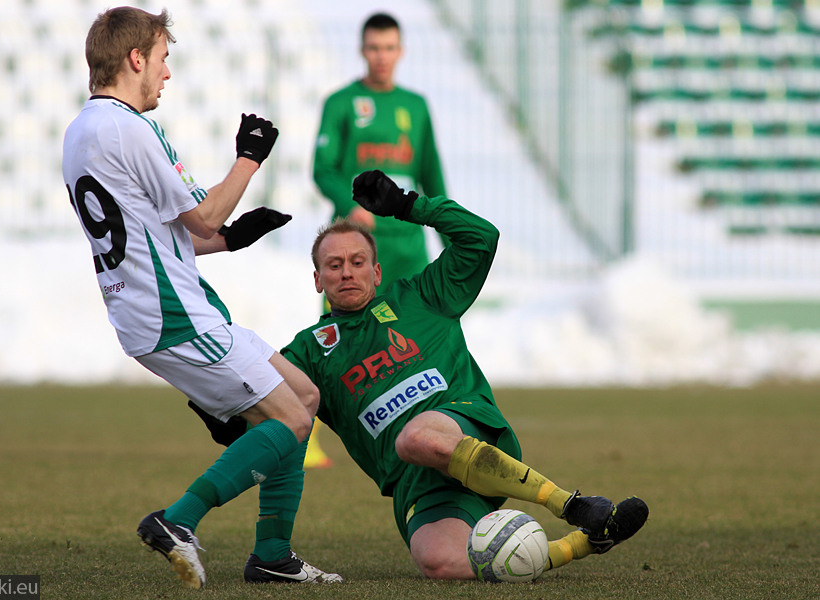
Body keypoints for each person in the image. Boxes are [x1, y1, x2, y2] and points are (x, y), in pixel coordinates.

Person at [61, 7, 341, 588]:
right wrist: (251, 156)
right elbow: (204, 211)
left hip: (159, 311)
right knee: (289, 419)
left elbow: (158, 235)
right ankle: (178, 520)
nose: (167, 74)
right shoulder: (129, 127)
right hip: (174, 317)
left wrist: (231, 239)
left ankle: (272, 557)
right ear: (135, 58)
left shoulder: (82, 131)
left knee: (304, 396)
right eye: (163, 59)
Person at [282, 170, 649, 579]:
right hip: (416, 480)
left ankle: (567, 503)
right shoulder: (309, 349)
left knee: (416, 437)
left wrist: (408, 205)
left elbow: (481, 237)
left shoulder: (421, 296)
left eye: (357, 262)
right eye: (334, 265)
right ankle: (586, 541)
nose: (347, 272)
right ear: (318, 279)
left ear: (377, 272)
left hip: (463, 425)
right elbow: (261, 396)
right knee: (441, 564)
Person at [307, 11, 448, 469]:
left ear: (400, 50)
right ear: (362, 50)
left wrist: (448, 235)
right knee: (334, 342)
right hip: (355, 247)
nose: (382, 57)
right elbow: (322, 168)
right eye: (374, 48)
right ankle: (303, 433)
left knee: (415, 338)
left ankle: (429, 430)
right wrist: (348, 204)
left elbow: (432, 178)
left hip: (407, 247)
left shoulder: (417, 106)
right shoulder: (342, 102)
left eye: (389, 48)